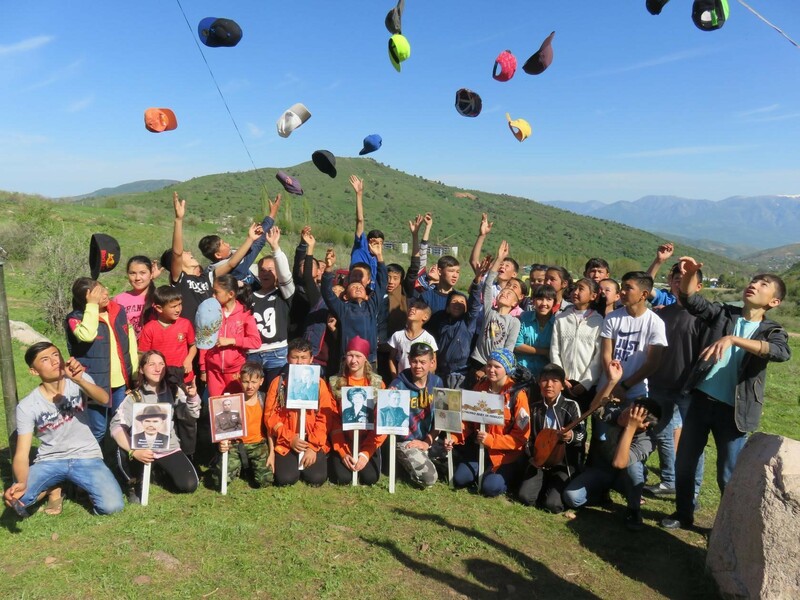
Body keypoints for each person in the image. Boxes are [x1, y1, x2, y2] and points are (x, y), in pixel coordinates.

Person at [662, 260, 791, 530]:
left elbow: (779, 352)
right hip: (700, 401)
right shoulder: (723, 314)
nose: (753, 284)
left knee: (729, 473)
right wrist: (687, 276)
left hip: (733, 411)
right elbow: (690, 300)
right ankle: (683, 514)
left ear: (774, 302)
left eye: (763, 284)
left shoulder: (773, 330)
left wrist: (733, 340)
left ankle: (728, 529)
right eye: (753, 280)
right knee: (685, 462)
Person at [4, 342, 124, 518]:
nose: (54, 361)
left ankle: (71, 483)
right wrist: (21, 482)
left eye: (55, 355)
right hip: (50, 459)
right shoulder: (27, 406)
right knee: (17, 500)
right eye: (45, 359)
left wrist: (80, 380)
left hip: (86, 455)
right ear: (34, 371)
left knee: (112, 506)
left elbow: (104, 399)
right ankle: (55, 487)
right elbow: (22, 454)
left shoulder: (78, 381)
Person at [563, 361, 660, 531]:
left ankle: (634, 509)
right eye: (631, 408)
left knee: (635, 469)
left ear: (644, 425)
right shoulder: (619, 415)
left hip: (625, 478)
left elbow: (619, 463)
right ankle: (601, 494)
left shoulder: (648, 441)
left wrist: (630, 427)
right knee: (572, 498)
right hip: (603, 470)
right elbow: (594, 408)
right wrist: (611, 382)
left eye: (634, 415)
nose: (626, 413)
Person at [644, 263, 707, 498]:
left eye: (686, 278)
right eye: (676, 278)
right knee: (661, 433)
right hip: (660, 384)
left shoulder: (704, 318)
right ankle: (669, 479)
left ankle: (692, 493)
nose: (679, 282)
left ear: (698, 286)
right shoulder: (661, 314)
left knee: (692, 443)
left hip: (690, 389)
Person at [111, 350, 200, 502]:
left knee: (189, 485)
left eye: (161, 364)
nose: (157, 369)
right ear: (141, 369)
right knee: (122, 448)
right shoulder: (134, 397)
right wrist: (134, 451)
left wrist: (192, 397)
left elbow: (191, 415)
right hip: (141, 448)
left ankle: (159, 472)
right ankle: (132, 483)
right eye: (152, 364)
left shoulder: (174, 390)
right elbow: (116, 427)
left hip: (167, 447)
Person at [162, 191, 262, 324]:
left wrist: (250, 239)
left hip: (209, 335)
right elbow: (177, 253)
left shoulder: (206, 277)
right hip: (190, 336)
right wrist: (179, 220)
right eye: (186, 252)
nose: (189, 252)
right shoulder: (180, 280)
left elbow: (231, 263)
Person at [447, 349, 531, 497]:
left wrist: (491, 440)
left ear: (507, 369)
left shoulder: (517, 395)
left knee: (490, 488)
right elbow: (467, 420)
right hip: (479, 448)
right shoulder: (480, 387)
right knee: (460, 479)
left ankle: (506, 477)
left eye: (497, 367)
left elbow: (521, 436)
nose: (491, 370)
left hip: (504, 455)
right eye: (489, 365)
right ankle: (484, 471)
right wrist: (453, 438)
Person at [65, 277, 138, 441]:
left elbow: (130, 341)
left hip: (120, 381)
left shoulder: (118, 311)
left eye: (103, 288)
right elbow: (88, 335)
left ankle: (120, 464)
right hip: (94, 383)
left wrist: (133, 372)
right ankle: (91, 463)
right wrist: (91, 306)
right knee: (97, 429)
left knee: (122, 425)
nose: (105, 293)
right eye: (98, 293)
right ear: (88, 299)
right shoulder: (75, 318)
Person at [264, 338, 334, 487]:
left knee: (316, 477)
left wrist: (313, 447)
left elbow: (325, 418)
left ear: (311, 359)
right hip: (287, 440)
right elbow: (270, 417)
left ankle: (315, 458)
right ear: (288, 358)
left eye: (303, 358)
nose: (299, 362)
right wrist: (290, 439)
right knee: (286, 479)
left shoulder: (319, 384)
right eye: (295, 357)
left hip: (311, 439)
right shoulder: (278, 383)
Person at [517, 363, 584, 513]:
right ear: (539, 383)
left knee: (553, 506)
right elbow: (526, 437)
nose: (549, 385)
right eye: (545, 380)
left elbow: (582, 434)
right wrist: (534, 457)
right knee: (525, 497)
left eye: (554, 381)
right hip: (539, 462)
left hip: (562, 464)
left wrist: (570, 436)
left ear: (562, 386)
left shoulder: (571, 406)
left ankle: (552, 490)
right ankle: (542, 484)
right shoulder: (534, 408)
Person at [599, 271, 667, 404]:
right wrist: (613, 384)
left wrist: (624, 387)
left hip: (636, 393)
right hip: (607, 389)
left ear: (644, 294)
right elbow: (606, 354)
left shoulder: (656, 323)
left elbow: (652, 363)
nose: (623, 292)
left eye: (628, 288)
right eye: (622, 287)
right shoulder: (612, 318)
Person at [329, 336, 387, 485]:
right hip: (344, 439)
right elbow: (333, 420)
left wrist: (366, 453)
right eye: (350, 355)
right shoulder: (335, 383)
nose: (353, 360)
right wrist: (342, 452)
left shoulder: (377, 384)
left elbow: (382, 421)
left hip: (368, 439)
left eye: (358, 356)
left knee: (370, 478)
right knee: (343, 478)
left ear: (365, 359)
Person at [321, 241, 387, 366]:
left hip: (370, 359)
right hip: (348, 359)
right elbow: (327, 293)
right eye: (354, 286)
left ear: (367, 295)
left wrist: (379, 256)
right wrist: (328, 268)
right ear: (345, 296)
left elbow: (382, 283)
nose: (358, 287)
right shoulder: (343, 309)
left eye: (360, 287)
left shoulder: (371, 306)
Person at [198, 193, 282, 289]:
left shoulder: (210, 272)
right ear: (218, 255)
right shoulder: (236, 267)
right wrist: (272, 214)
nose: (228, 244)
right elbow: (258, 243)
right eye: (223, 244)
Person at [390, 342, 444, 488]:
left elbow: (442, 419)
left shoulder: (438, 383)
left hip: (429, 439)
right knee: (430, 478)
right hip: (405, 440)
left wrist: (427, 441)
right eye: (414, 361)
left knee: (458, 470)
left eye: (422, 362)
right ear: (408, 360)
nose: (418, 366)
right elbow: (389, 423)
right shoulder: (397, 385)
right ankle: (401, 462)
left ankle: (422, 457)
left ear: (432, 362)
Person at [212, 362, 275, 488]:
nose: (250, 386)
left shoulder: (265, 399)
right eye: (246, 382)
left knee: (265, 481)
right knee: (219, 482)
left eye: (253, 382)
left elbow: (270, 429)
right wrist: (222, 444)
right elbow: (223, 429)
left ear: (261, 381)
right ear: (240, 381)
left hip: (258, 445)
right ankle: (237, 466)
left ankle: (249, 468)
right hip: (236, 445)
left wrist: (272, 453)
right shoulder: (232, 402)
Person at [249, 226, 295, 390]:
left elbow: (285, 276)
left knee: (276, 395)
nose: (266, 272)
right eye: (262, 270)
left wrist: (275, 248)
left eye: (271, 269)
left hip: (277, 353)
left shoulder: (284, 294)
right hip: (252, 354)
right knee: (253, 396)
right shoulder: (249, 296)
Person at [200, 274, 261, 397]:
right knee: (216, 408)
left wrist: (232, 341)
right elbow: (203, 341)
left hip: (236, 372)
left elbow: (255, 342)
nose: (213, 296)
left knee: (235, 409)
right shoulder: (210, 312)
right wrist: (203, 368)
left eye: (216, 292)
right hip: (214, 371)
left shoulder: (245, 314)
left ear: (231, 294)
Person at [469, 241, 522, 383]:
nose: (505, 293)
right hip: (477, 361)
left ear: (515, 303)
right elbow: (487, 284)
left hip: (498, 367)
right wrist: (499, 259)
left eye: (510, 294)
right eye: (503, 292)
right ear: (497, 297)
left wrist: (488, 367)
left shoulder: (514, 322)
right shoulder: (489, 312)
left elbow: (508, 349)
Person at [550, 278, 604, 411]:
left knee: (581, 423)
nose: (575, 292)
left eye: (581, 289)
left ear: (593, 296)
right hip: (564, 382)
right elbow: (554, 350)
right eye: (575, 288)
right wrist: (561, 377)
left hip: (587, 385)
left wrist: (585, 383)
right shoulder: (561, 318)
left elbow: (598, 357)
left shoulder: (599, 321)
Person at [428, 275, 483, 389]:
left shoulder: (468, 323)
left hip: (461, 374)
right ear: (447, 308)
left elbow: (475, 304)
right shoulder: (441, 322)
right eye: (454, 301)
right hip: (441, 371)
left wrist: (477, 281)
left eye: (461, 302)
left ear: (466, 308)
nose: (457, 303)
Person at [348, 174, 384, 285]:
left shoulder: (379, 259)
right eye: (374, 242)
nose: (377, 245)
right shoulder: (361, 246)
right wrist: (359, 195)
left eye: (380, 243)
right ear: (368, 241)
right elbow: (360, 220)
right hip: (356, 287)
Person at [388, 298, 438, 379]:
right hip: (402, 381)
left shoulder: (429, 338)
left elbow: (433, 364)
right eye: (411, 306)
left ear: (425, 317)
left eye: (418, 308)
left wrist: (423, 380)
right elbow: (392, 358)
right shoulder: (397, 335)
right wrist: (395, 378)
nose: (412, 309)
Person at [514, 284, 556, 380]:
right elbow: (516, 345)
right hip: (519, 372)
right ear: (533, 301)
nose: (544, 303)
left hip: (544, 376)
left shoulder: (557, 323)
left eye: (549, 299)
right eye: (540, 299)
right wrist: (544, 352)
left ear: (554, 302)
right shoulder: (524, 317)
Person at [114, 255, 160, 337]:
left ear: (151, 273)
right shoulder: (119, 300)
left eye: (143, 273)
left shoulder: (159, 298)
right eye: (132, 273)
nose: (137, 278)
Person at [646, 242, 678, 308]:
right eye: (678, 280)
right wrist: (659, 260)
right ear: (670, 280)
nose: (683, 285)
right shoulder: (665, 298)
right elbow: (645, 286)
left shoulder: (696, 305)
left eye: (687, 281)